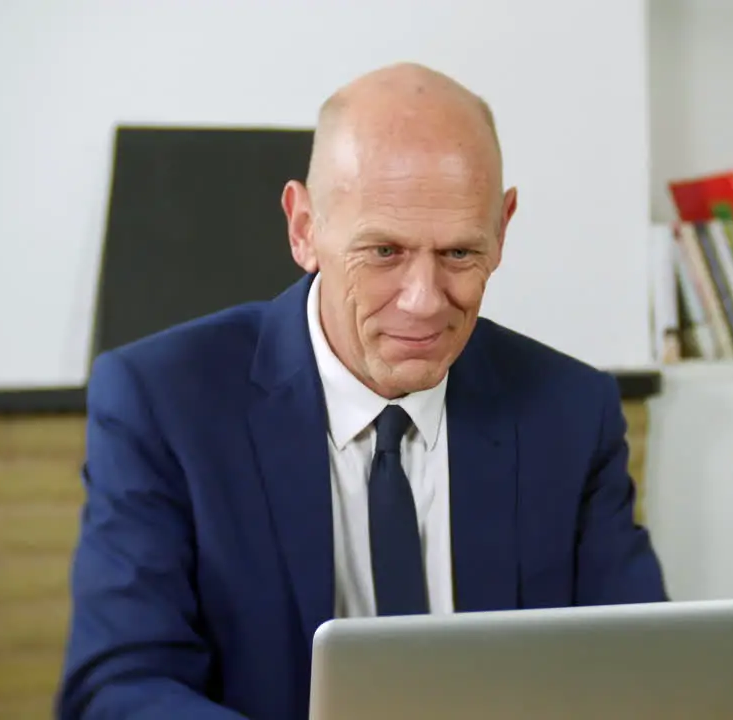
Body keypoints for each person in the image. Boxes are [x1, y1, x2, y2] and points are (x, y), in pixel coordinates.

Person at [57, 62, 669, 720]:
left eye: (460, 254)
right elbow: (119, 689)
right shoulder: (161, 403)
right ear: (304, 228)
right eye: (384, 252)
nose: (424, 301)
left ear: (504, 226)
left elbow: (642, 671)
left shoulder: (571, 414)